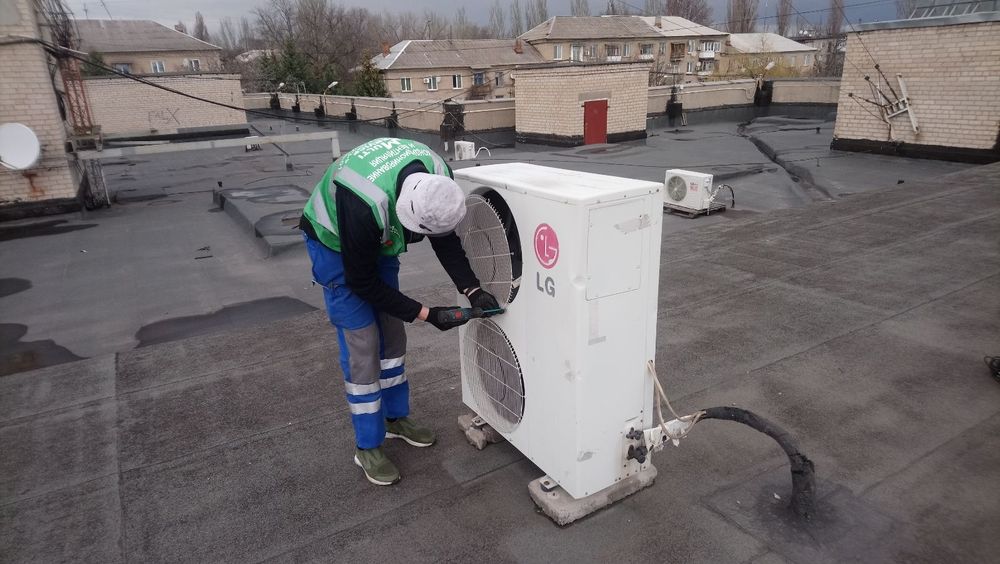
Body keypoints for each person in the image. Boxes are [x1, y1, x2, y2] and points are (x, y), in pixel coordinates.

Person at [299, 137, 500, 486]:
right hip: (335, 245)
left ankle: (395, 420)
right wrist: (427, 314)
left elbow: (445, 240)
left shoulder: (439, 177)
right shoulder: (364, 202)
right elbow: (362, 283)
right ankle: (367, 445)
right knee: (363, 346)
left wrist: (473, 290)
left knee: (392, 338)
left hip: (377, 237)